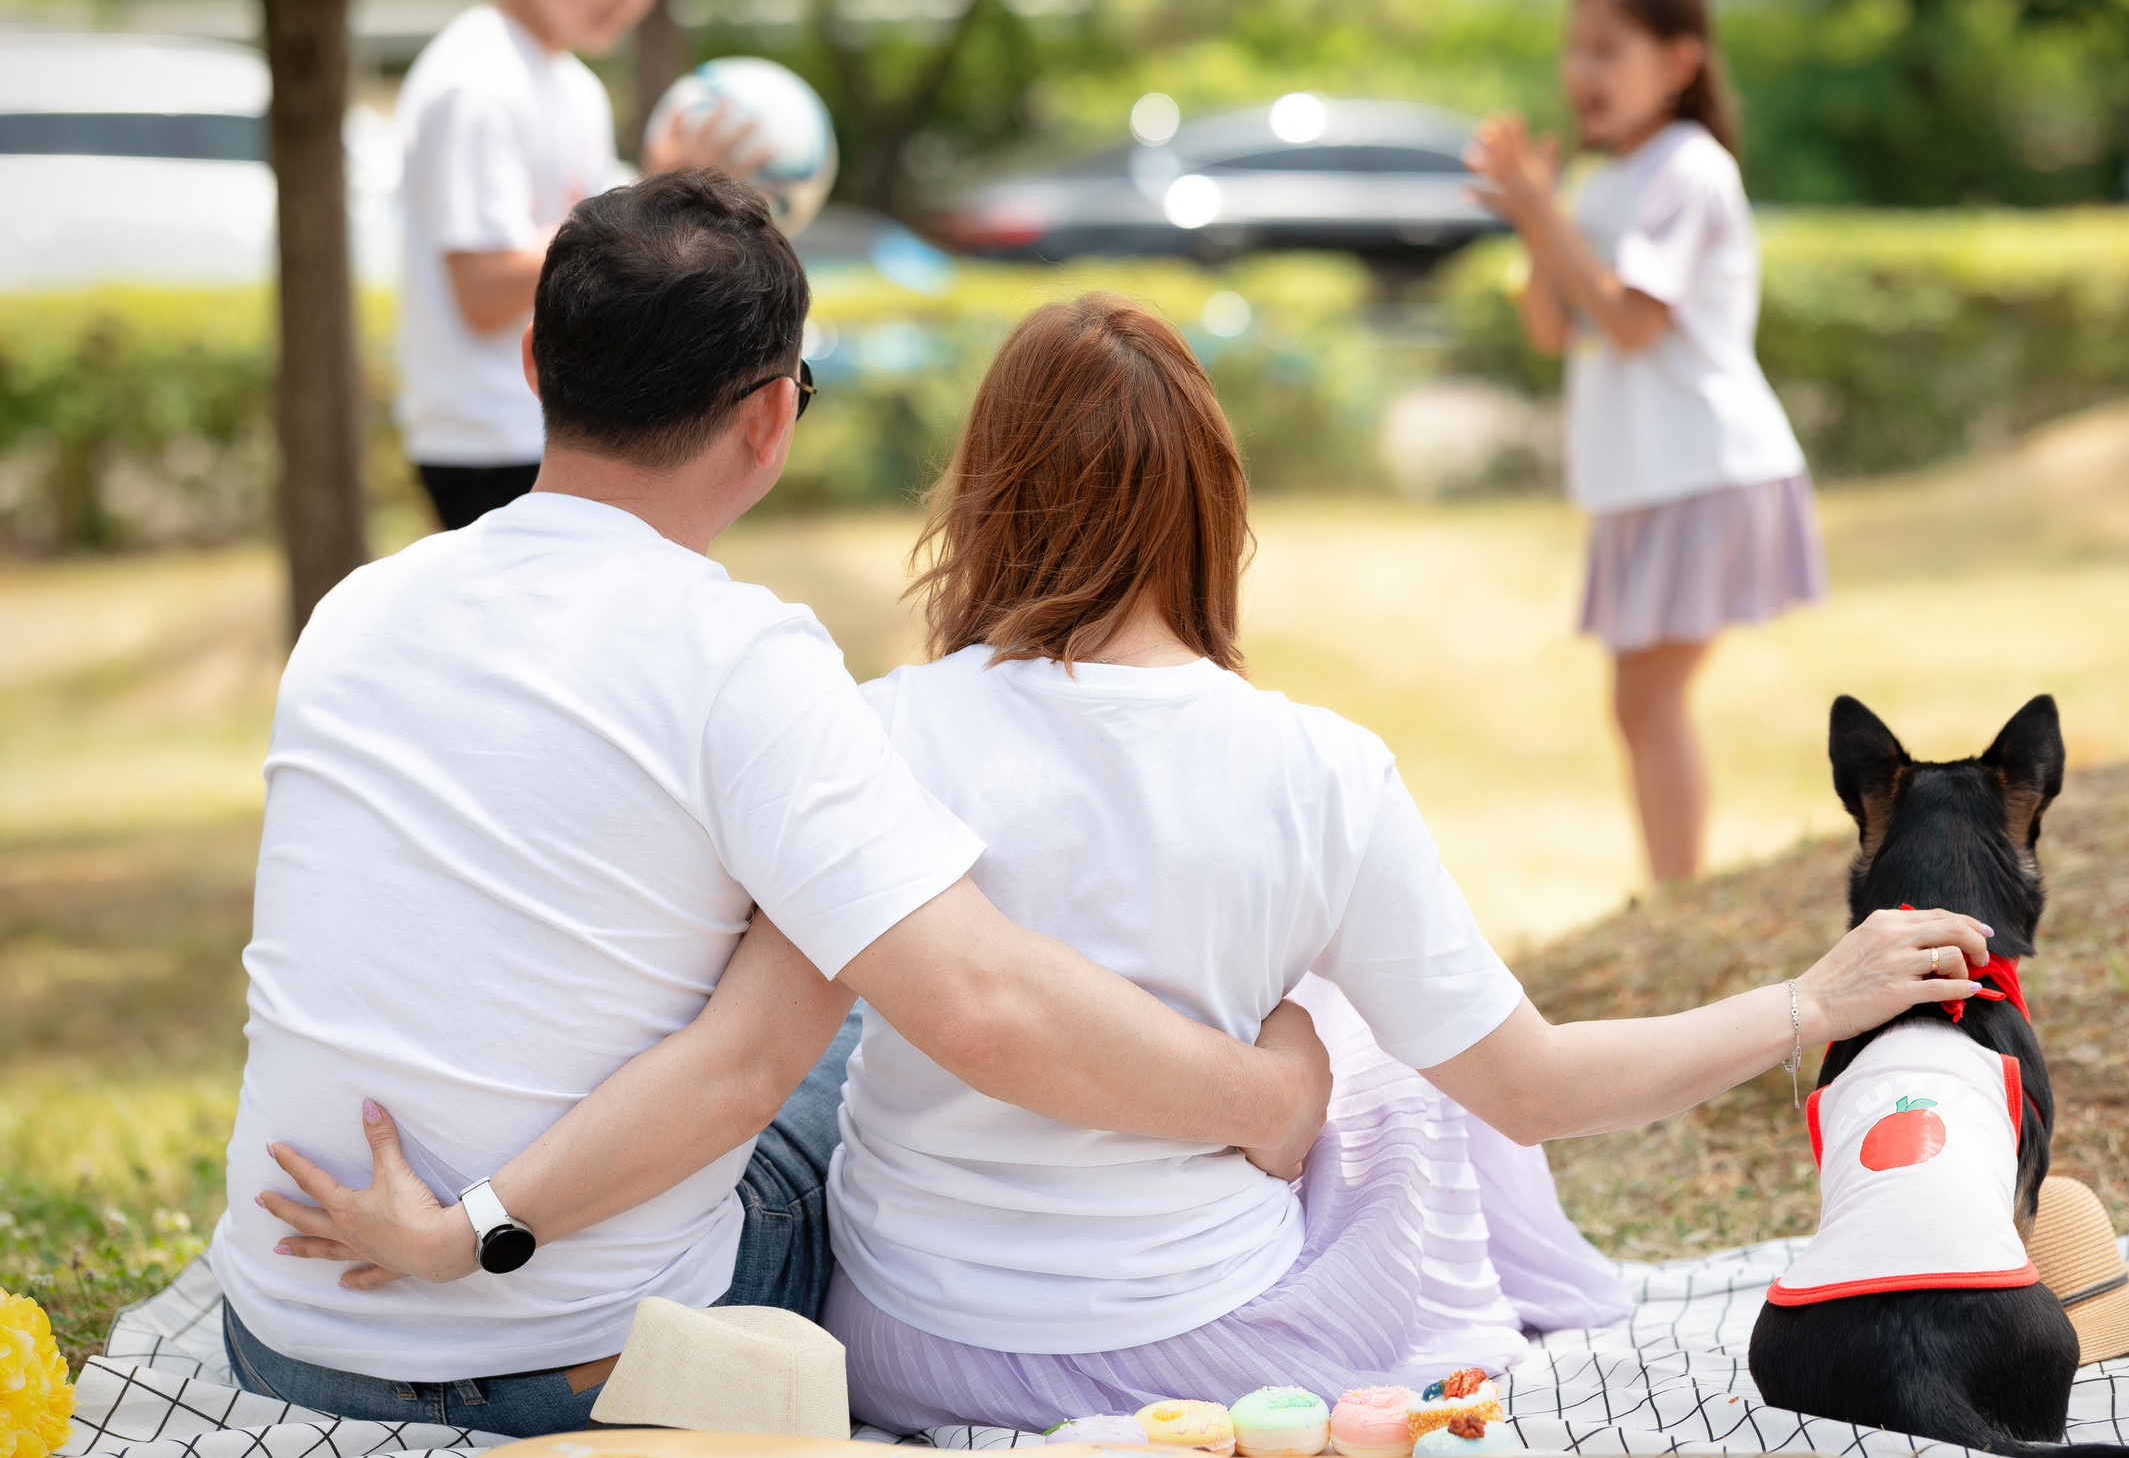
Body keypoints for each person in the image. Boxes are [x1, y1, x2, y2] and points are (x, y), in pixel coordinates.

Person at [274, 292, 1987, 1437]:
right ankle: (1539, 1311)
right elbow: (1532, 1088)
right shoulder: (1320, 767)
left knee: (918, 995)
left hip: (908, 1337)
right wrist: (1806, 1001)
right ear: (1211, 502)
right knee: (1379, 1036)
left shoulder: (879, 723)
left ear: (986, 490)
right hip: (1201, 1338)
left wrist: (482, 1219)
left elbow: (758, 1047)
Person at [210, 172, 1333, 1441]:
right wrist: (1272, 1099)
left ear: (533, 363)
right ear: (769, 416)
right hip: (583, 1359)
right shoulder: (738, 658)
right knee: (864, 1033)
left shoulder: (356, 610)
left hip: (287, 1334)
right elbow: (974, 1010)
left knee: (804, 954)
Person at [1465, 0, 1826, 890]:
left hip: (1702, 466)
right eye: (1575, 46)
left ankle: (1678, 893)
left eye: (1607, 48)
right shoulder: (1600, 180)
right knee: (1640, 704)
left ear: (1678, 62)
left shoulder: (1691, 170)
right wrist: (1538, 218)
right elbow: (1554, 328)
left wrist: (1545, 213)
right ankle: (1675, 890)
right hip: (1649, 475)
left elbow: (1631, 320)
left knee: (1645, 700)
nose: (1581, 70)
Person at [394, 0, 761, 532]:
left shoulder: (574, 86)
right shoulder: (474, 78)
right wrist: (651, 192)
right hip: (490, 441)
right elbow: (484, 289)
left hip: (561, 434)